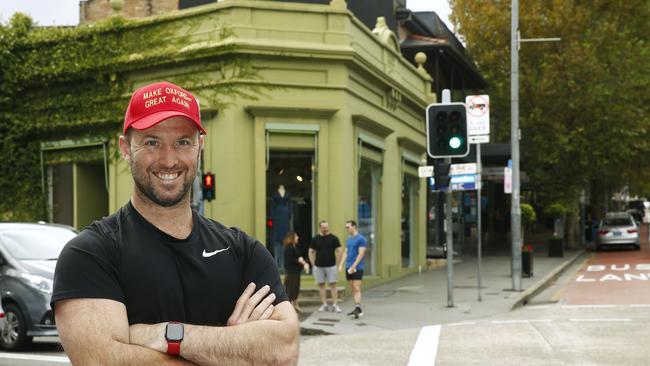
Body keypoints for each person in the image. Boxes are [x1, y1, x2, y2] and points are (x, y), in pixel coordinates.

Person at [51, 81, 299, 365]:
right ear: (126, 148)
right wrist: (235, 350)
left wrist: (168, 336)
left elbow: (284, 350)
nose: (169, 160)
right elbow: (104, 361)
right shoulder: (91, 255)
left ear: (200, 146)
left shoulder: (244, 252)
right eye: (152, 142)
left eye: (182, 142)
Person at [308, 220, 342, 312]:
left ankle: (335, 304)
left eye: (326, 227)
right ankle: (324, 304)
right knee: (321, 285)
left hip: (331, 266)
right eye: (323, 227)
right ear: (320, 228)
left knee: (333, 285)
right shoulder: (315, 239)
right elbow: (311, 251)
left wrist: (337, 264)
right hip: (319, 266)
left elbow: (339, 250)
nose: (325, 229)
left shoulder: (334, 238)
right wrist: (313, 264)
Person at [339, 219, 367, 319]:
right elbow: (346, 252)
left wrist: (354, 266)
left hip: (357, 267)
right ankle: (357, 308)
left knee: (356, 288)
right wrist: (341, 264)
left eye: (348, 227)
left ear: (354, 226)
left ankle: (358, 308)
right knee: (353, 288)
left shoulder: (361, 239)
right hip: (348, 266)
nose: (347, 229)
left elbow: (361, 254)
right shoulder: (349, 239)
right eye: (346, 227)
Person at [282, 231, 309, 313]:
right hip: (291, 272)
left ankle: (295, 305)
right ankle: (289, 307)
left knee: (295, 289)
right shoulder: (289, 247)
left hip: (296, 271)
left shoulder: (295, 247)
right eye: (296, 236)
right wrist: (300, 261)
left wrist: (302, 263)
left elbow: (298, 257)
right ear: (292, 237)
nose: (298, 238)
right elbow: (291, 259)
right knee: (291, 289)